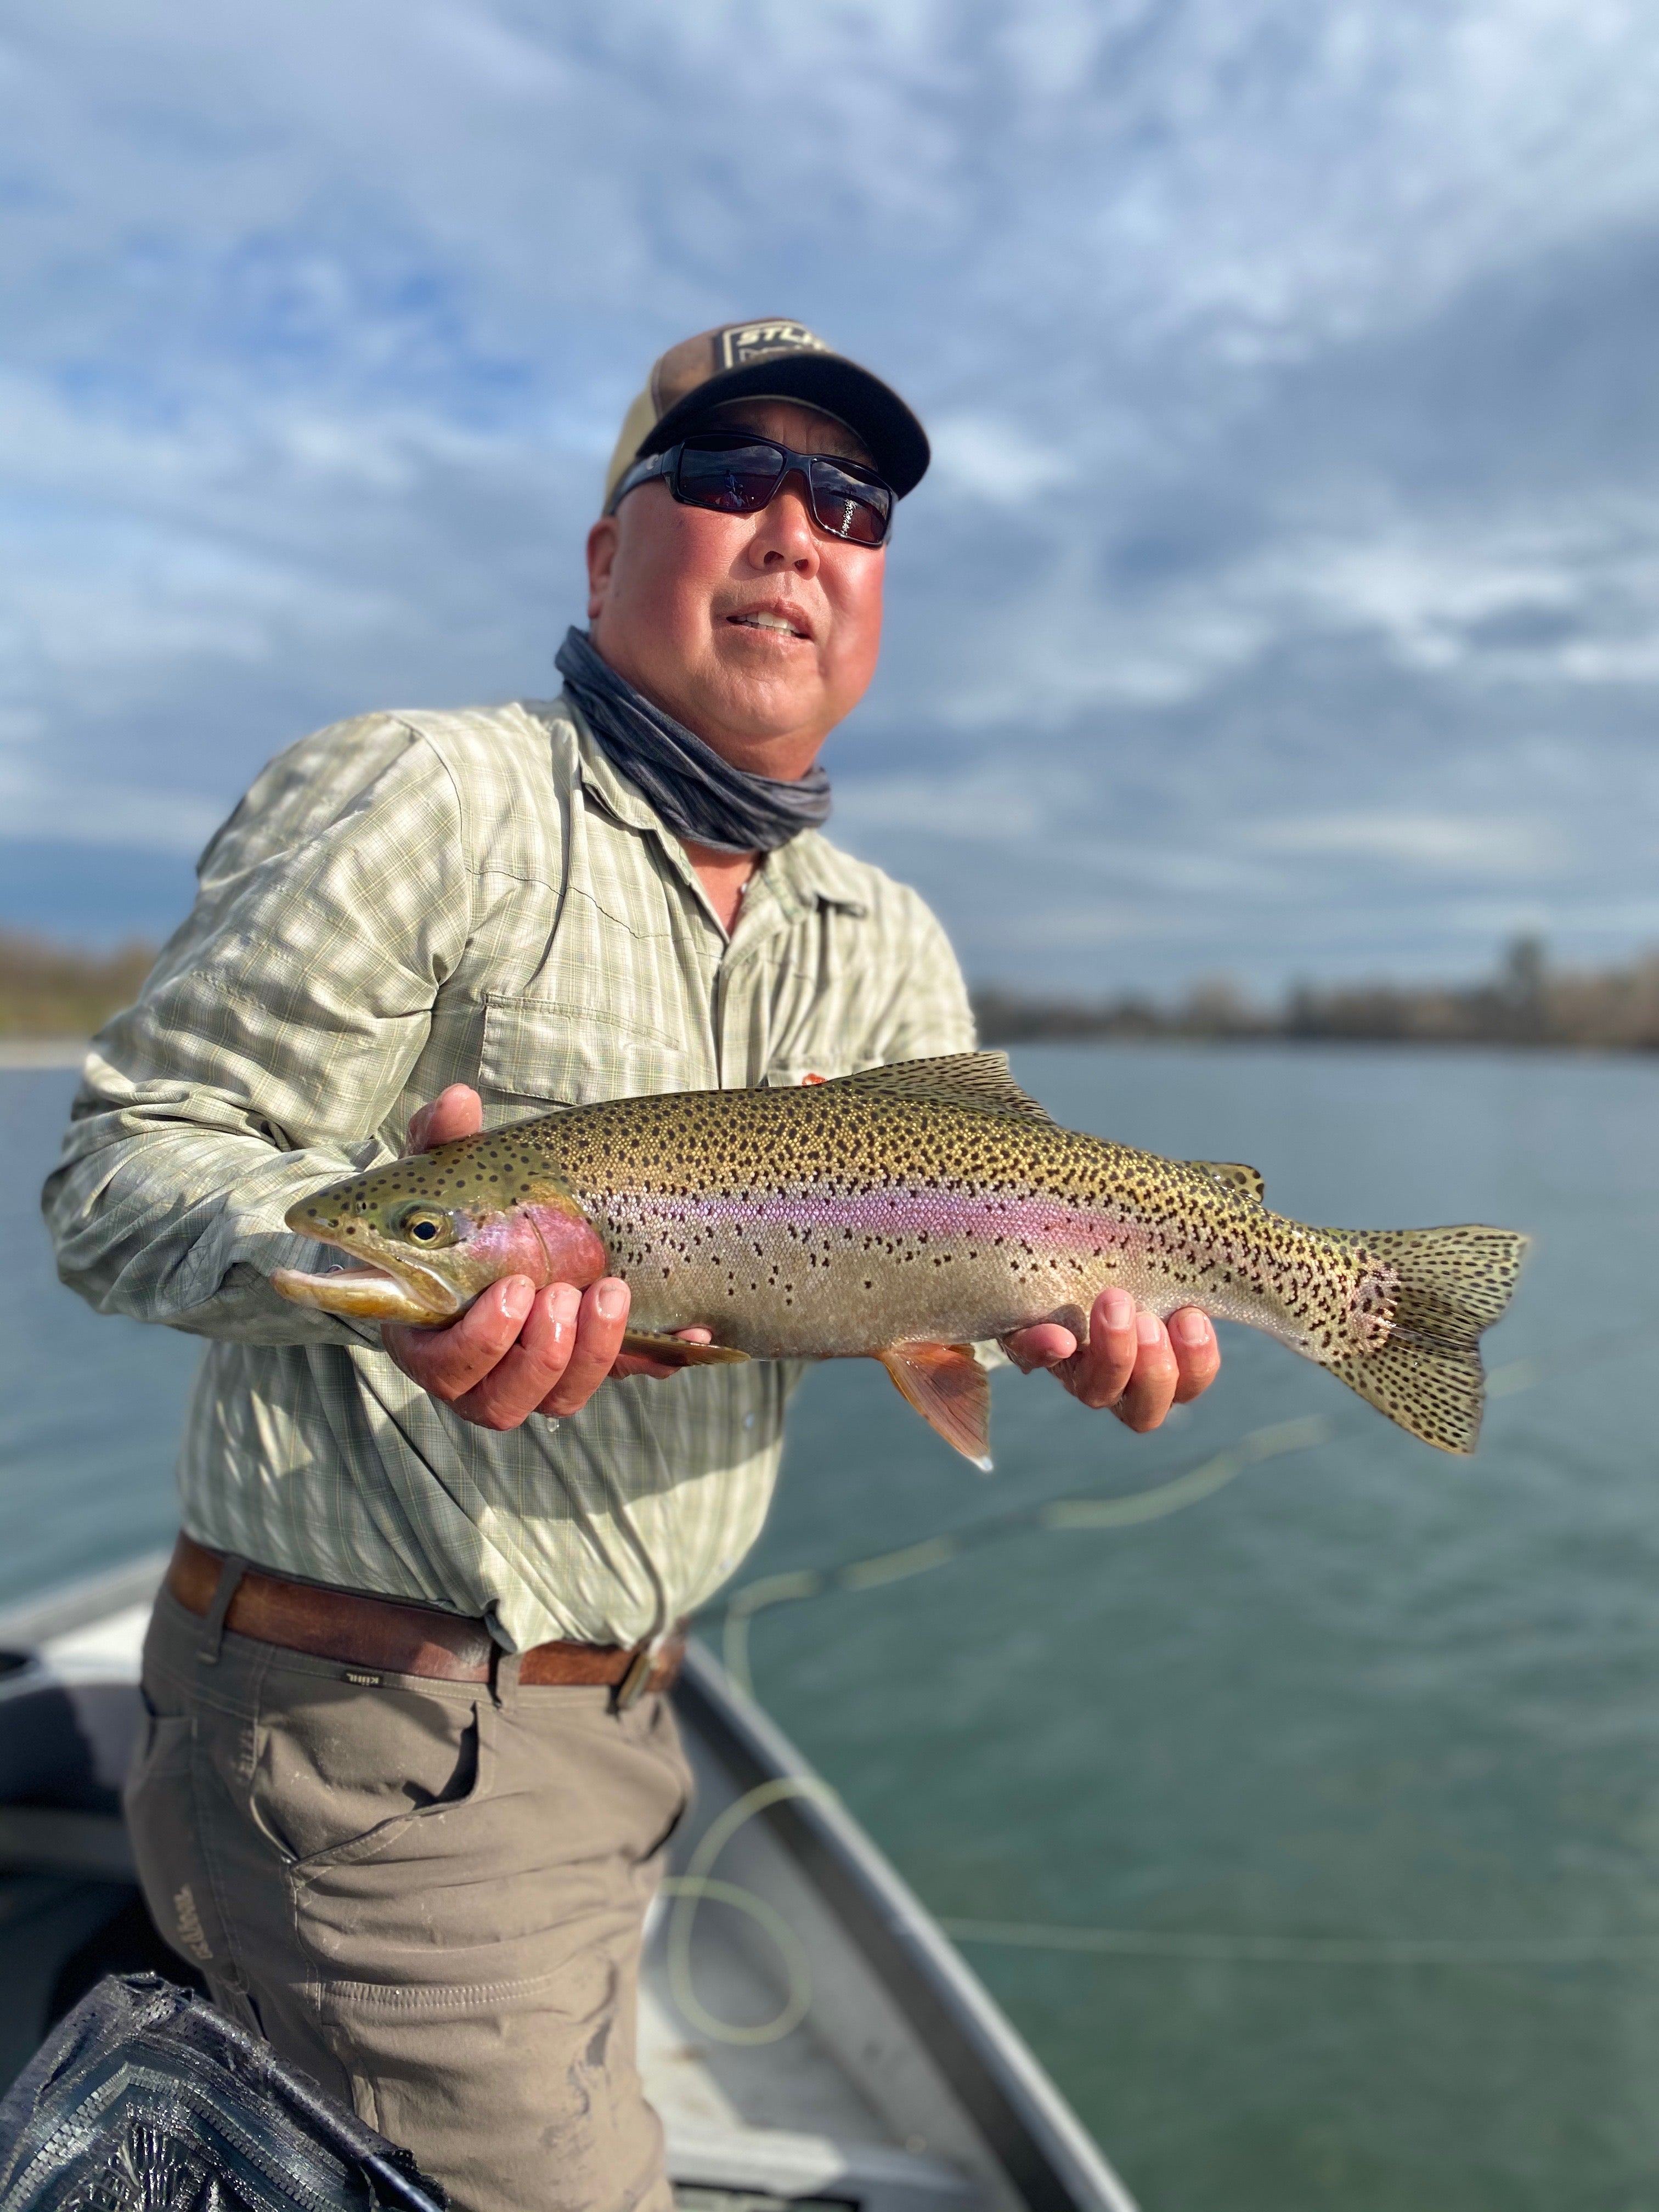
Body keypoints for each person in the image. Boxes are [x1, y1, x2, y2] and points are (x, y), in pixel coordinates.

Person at [44, 319, 1221, 2212]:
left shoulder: (887, 936)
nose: (795, 530)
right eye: (730, 474)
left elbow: (925, 1279)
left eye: (849, 503)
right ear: (608, 551)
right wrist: (357, 1271)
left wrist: (1059, 1335)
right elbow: (119, 1176)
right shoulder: (422, 796)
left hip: (636, 1735)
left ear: (878, 590)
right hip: (376, 1741)